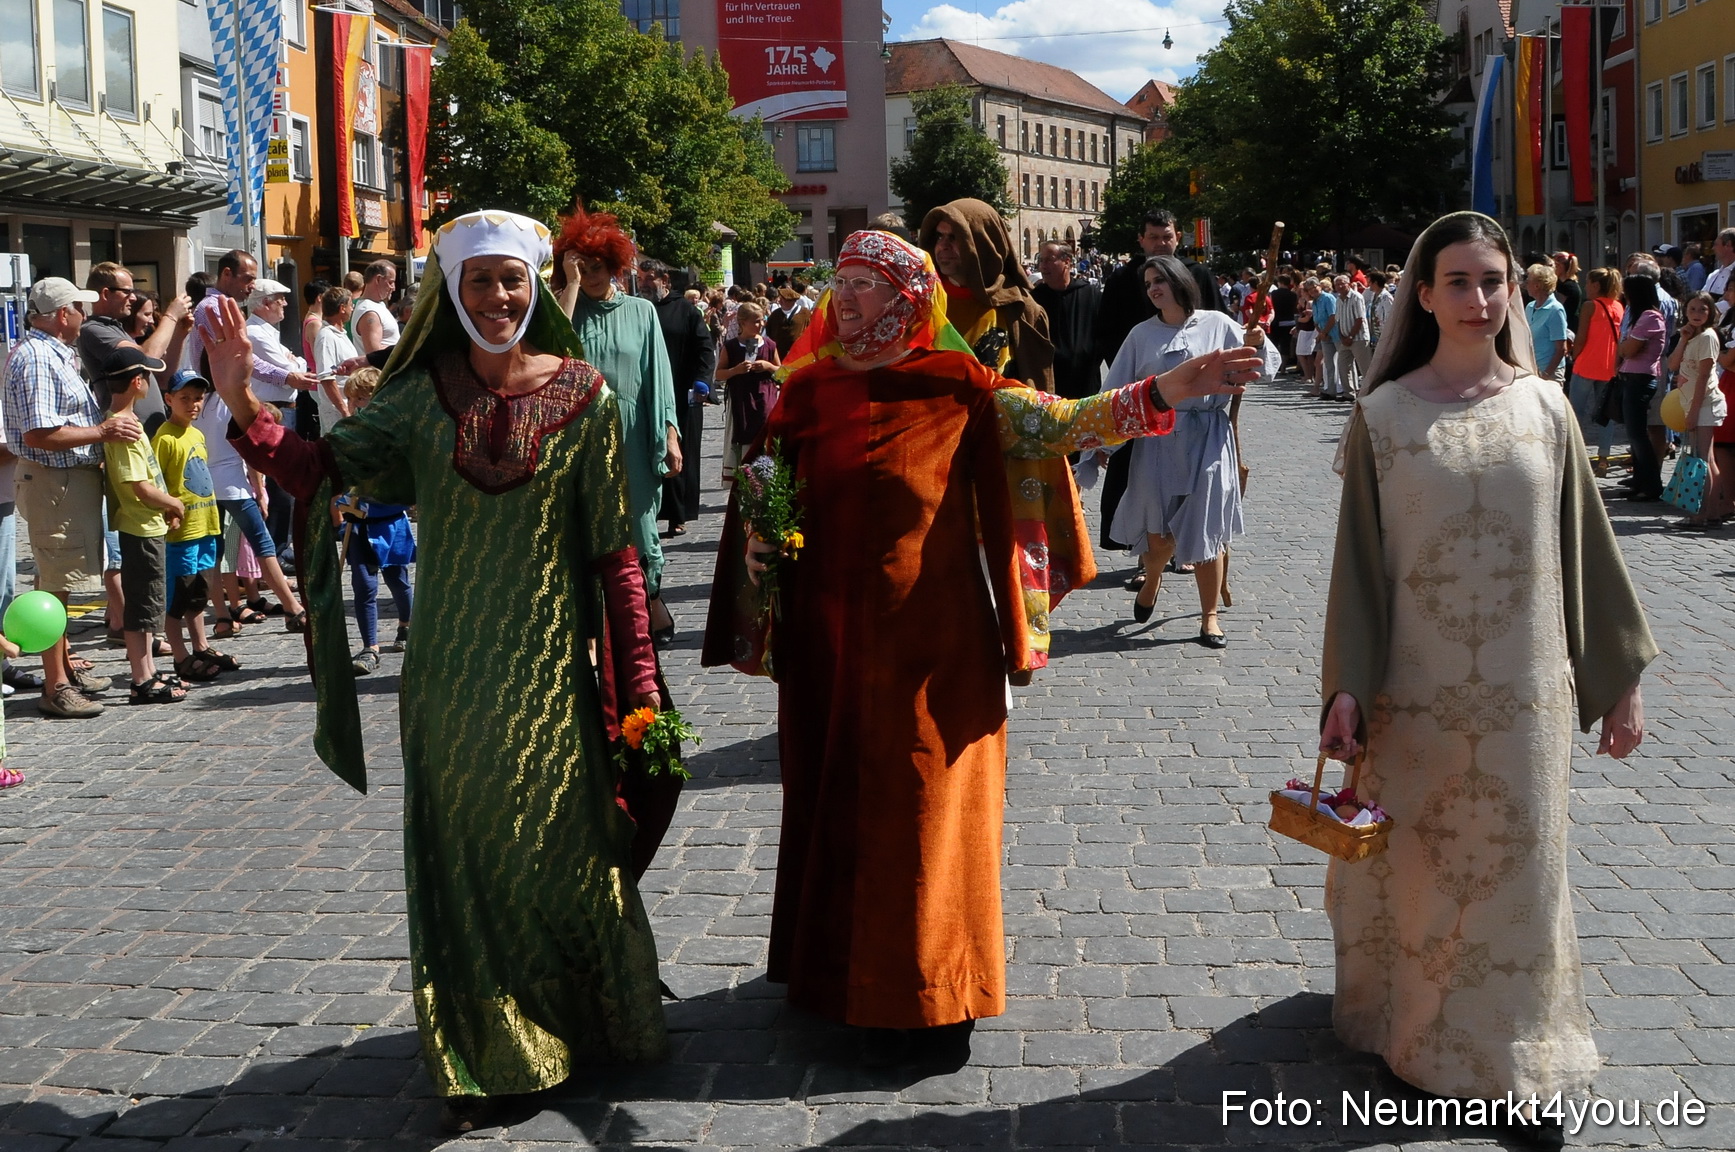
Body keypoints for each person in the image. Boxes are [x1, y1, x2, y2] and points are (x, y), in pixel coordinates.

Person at [702, 229, 1262, 1059]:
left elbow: (1061, 422)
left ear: (906, 299)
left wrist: (1166, 389)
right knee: (834, 798)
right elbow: (768, 481)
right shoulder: (809, 389)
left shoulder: (958, 385)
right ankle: (831, 973)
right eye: (839, 282)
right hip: (828, 638)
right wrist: (760, 532)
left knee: (922, 807)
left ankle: (928, 992)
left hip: (933, 640)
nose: (843, 298)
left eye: (863, 284)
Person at [206, 211, 671, 1133]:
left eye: (510, 279)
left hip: (550, 673)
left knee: (565, 849)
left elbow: (614, 553)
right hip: (449, 681)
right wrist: (239, 398)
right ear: (449, 295)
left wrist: (641, 684)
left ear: (534, 285)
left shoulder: (585, 396)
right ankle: (492, 1047)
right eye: (477, 281)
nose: (496, 297)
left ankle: (587, 1019)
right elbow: (316, 470)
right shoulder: (419, 397)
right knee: (469, 859)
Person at [1319, 212, 1656, 1149]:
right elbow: (1358, 570)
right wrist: (1347, 687)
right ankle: (1420, 1043)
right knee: (1425, 874)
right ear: (1423, 296)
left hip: (1523, 699)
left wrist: (1617, 679)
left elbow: (1586, 555)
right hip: (1415, 698)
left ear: (1513, 289)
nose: (1478, 299)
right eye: (1458, 282)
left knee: (1521, 878)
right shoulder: (1382, 417)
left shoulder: (1546, 409)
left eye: (1493, 280)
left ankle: (1521, 1057)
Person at [1108, 255, 1277, 646]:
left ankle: (1209, 617)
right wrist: (1101, 445)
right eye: (1148, 283)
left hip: (1209, 438)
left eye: (1159, 280)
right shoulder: (1140, 335)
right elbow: (1115, 392)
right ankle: (1152, 576)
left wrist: (1257, 342)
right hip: (1158, 439)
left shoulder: (1217, 323)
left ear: (1179, 281)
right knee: (1159, 535)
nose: (1153, 289)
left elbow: (1263, 368)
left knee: (1207, 528)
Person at [553, 205, 683, 646]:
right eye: (582, 266)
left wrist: (669, 433)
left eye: (597, 266)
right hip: (581, 437)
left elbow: (658, 376)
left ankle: (649, 602)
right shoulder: (566, 308)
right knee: (588, 529)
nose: (591, 275)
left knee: (641, 528)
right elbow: (554, 343)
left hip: (631, 433)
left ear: (614, 266)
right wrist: (570, 283)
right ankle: (602, 619)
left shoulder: (642, 312)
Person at [4, 276, 132, 718]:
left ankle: (63, 671)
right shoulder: (39, 357)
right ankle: (55, 685)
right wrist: (103, 431)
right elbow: (39, 434)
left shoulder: (51, 352)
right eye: (80, 307)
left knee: (57, 581)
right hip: (55, 482)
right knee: (55, 586)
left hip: (63, 481)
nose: (85, 314)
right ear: (63, 314)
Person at [98, 346, 185, 705]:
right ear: (137, 382)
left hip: (148, 525)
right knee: (142, 607)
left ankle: (148, 670)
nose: (149, 381)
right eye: (147, 375)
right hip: (141, 527)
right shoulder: (126, 429)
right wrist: (173, 502)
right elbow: (139, 486)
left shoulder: (124, 421)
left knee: (149, 607)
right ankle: (140, 679)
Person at [919, 198, 1055, 391]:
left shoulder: (1021, 309)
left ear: (983, 244)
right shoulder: (922, 303)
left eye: (954, 237)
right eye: (939, 236)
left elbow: (1040, 390)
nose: (943, 246)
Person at [153, 372, 234, 683]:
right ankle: (180, 655)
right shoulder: (165, 438)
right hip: (182, 534)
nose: (193, 404)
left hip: (205, 527)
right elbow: (157, 483)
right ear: (169, 399)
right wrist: (167, 512)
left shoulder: (196, 434)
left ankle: (201, 646)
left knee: (199, 592)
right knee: (178, 596)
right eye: (184, 398)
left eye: (198, 398)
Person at [335, 368, 414, 674]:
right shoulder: (347, 432)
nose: (354, 405)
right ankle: (370, 647)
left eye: (360, 398)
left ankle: (406, 625)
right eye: (351, 399)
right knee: (364, 586)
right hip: (359, 524)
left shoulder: (396, 433)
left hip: (390, 522)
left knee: (398, 581)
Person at [639, 258, 715, 538]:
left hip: (682, 392)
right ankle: (649, 513)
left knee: (681, 453)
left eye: (650, 279)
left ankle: (678, 515)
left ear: (665, 281)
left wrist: (702, 380)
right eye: (641, 279)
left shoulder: (686, 311)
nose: (644, 285)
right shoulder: (638, 310)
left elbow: (705, 349)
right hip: (647, 392)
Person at [1665, 291, 1727, 529]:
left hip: (1704, 404)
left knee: (1703, 459)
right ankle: (1712, 512)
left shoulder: (1708, 337)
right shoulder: (1692, 336)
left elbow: (1703, 377)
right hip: (1694, 403)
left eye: (1703, 309)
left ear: (1711, 312)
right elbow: (1672, 364)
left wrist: (1693, 412)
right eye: (1692, 309)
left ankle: (1701, 515)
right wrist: (1682, 339)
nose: (1697, 313)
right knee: (1706, 458)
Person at [1615, 273, 1668, 501]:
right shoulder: (1639, 316)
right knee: (1633, 433)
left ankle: (1652, 485)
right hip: (1632, 376)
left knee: (1638, 434)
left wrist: (1623, 347)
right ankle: (1639, 480)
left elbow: (1628, 349)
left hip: (1641, 378)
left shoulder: (1650, 316)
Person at [1568, 267, 1623, 475]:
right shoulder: (1618, 306)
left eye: (1588, 283)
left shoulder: (1590, 306)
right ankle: (1603, 458)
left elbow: (1581, 336)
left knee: (1576, 412)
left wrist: (1574, 355)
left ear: (1596, 285)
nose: (1585, 287)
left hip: (1586, 364)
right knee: (1606, 415)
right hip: (1609, 366)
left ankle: (1577, 456)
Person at [1032, 240, 1103, 399]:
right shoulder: (1035, 299)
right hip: (1048, 386)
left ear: (1067, 262)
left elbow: (1104, 334)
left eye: (1049, 260)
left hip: (1085, 384)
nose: (1043, 266)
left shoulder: (1090, 295)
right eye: (1041, 260)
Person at [716, 301, 780, 457]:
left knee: (765, 434)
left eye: (762, 320)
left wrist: (768, 366)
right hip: (742, 400)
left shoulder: (769, 345)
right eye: (756, 321)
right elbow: (719, 374)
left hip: (765, 398)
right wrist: (735, 370)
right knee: (746, 440)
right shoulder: (731, 346)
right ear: (743, 323)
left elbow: (781, 371)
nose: (761, 324)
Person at [311, 287, 359, 432]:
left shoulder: (340, 334)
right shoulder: (326, 337)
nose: (353, 308)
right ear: (342, 308)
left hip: (350, 406)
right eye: (351, 305)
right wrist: (344, 411)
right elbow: (326, 378)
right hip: (337, 414)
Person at [1524, 263, 1570, 383]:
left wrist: (1546, 374)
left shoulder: (1555, 310)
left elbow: (1561, 349)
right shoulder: (1529, 307)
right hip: (1532, 370)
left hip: (1550, 373)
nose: (1525, 284)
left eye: (1528, 281)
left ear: (1537, 286)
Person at [349, 260, 401, 354]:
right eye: (390, 282)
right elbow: (374, 352)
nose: (393, 288)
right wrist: (404, 348)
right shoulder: (369, 312)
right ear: (378, 279)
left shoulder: (377, 305)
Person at [1332, 274, 1370, 396]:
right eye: (1337, 284)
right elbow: (1338, 320)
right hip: (1344, 339)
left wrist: (1350, 336)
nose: (1339, 286)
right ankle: (1349, 393)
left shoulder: (1356, 297)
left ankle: (1369, 393)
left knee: (1365, 367)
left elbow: (1360, 319)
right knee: (1343, 366)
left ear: (1348, 284)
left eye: (1342, 284)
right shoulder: (1338, 300)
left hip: (1358, 338)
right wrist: (1341, 336)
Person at [1312, 275, 1341, 398]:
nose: (1313, 291)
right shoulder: (1315, 301)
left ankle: (1347, 389)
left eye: (1314, 287)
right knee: (1329, 364)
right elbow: (1316, 319)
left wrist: (1324, 332)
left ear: (1319, 286)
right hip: (1324, 335)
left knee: (1342, 362)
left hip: (1335, 334)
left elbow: (1333, 316)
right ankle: (1331, 390)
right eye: (1310, 290)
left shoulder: (1328, 298)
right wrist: (1320, 332)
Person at [764, 285, 808, 358]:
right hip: (779, 354)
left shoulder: (805, 314)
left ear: (792, 301)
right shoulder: (775, 314)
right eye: (780, 298)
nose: (779, 301)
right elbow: (768, 333)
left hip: (798, 354)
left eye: (783, 299)